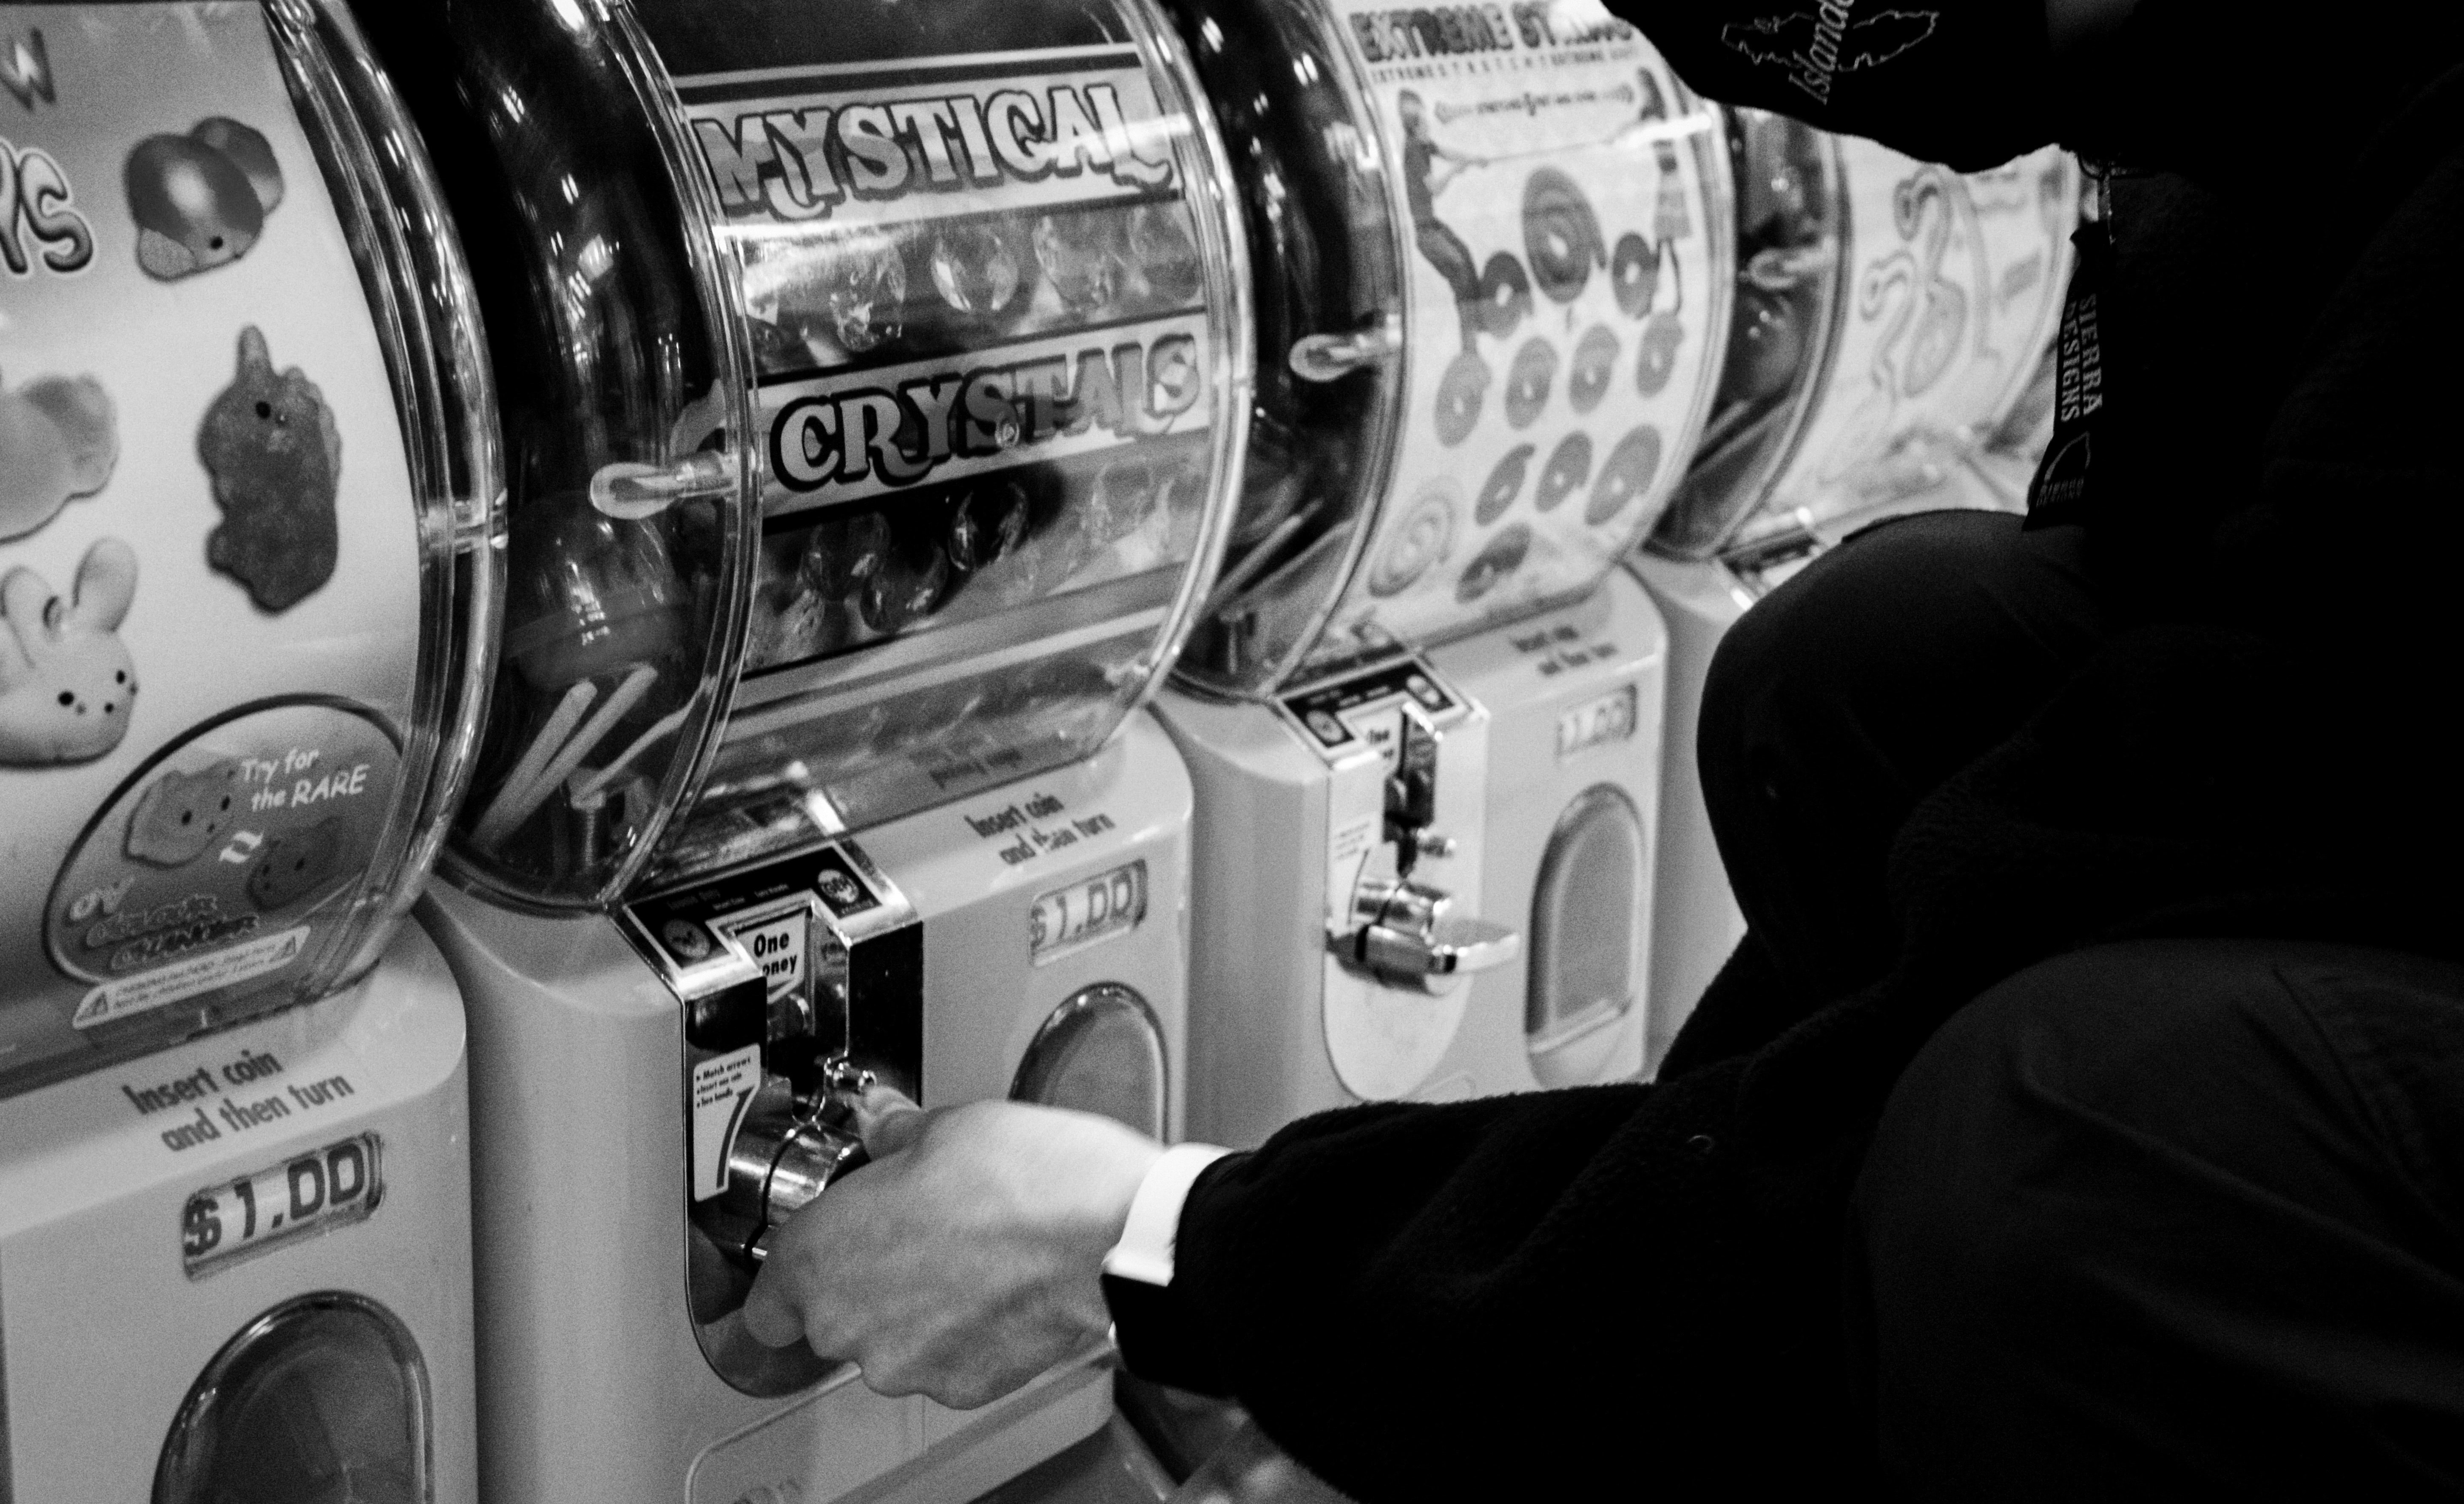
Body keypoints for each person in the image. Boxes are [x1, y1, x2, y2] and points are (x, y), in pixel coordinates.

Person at [744, 0, 2464, 1495]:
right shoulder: (2288, 127)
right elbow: (2082, 822)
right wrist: (1435, 1362)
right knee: (1881, 668)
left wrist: (1158, 1244)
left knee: (2081, 1145)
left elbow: (2157, 885)